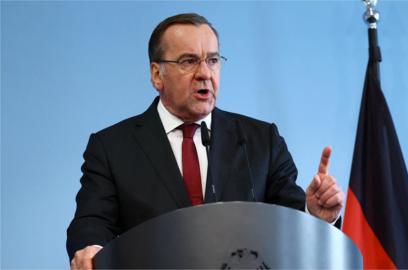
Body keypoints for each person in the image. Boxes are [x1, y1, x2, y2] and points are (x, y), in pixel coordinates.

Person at [67, 13, 345, 270]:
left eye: (212, 60)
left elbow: (288, 221)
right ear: (156, 74)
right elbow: (92, 221)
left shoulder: (262, 140)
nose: (204, 73)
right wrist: (92, 248)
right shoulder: (112, 147)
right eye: (188, 61)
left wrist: (316, 214)